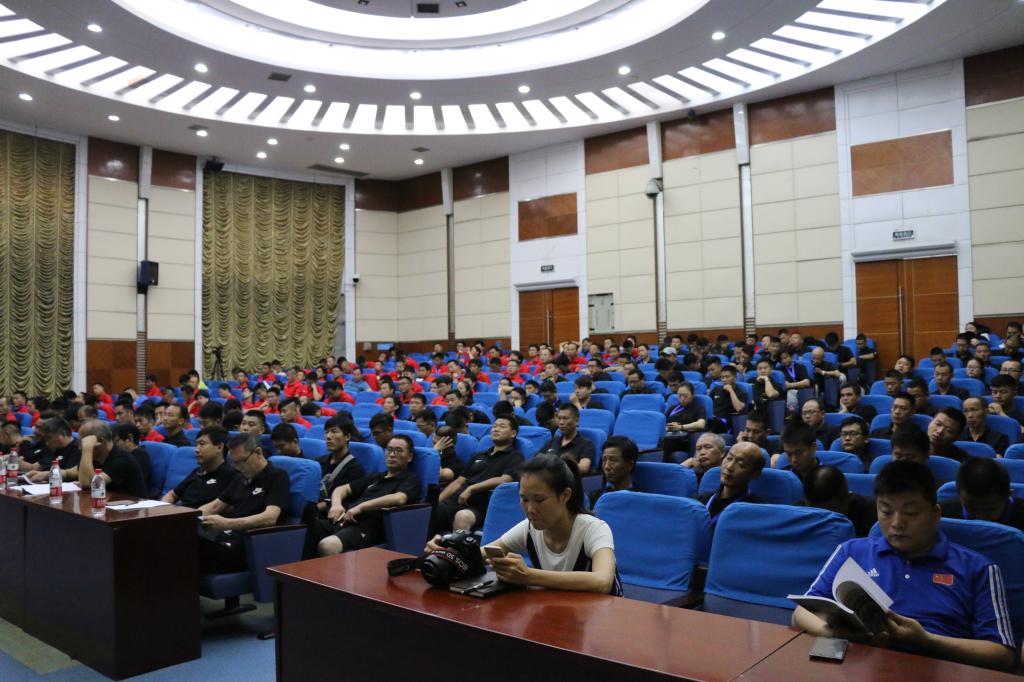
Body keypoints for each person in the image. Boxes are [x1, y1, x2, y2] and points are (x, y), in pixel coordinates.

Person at [793, 460, 1015, 671]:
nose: (897, 523)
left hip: (935, 668)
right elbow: (801, 612)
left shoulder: (978, 568)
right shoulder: (851, 551)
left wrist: (927, 641)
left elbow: (1003, 656)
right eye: (886, 511)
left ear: (935, 514)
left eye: (910, 513)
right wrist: (832, 634)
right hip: (856, 663)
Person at [451, 454, 620, 595]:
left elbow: (602, 581)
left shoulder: (594, 529)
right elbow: (482, 554)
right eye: (524, 499)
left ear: (565, 496)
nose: (530, 509)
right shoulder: (529, 528)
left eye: (539, 500)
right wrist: (447, 553)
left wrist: (529, 576)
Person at [197, 433, 291, 573]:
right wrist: (189, 517)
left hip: (252, 543)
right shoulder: (240, 477)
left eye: (241, 462)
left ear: (258, 452)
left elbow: (270, 518)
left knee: (193, 553)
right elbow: (215, 506)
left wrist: (227, 523)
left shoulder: (277, 476)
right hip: (227, 537)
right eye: (234, 463)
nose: (238, 467)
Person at [317, 434, 423, 555]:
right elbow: (342, 489)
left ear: (410, 457)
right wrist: (336, 505)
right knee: (306, 531)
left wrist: (360, 507)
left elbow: (399, 498)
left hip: (366, 529)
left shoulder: (410, 479)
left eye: (398, 450)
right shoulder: (375, 477)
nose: (392, 454)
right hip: (343, 521)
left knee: (327, 546)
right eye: (389, 450)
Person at [430, 415, 524, 535]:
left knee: (462, 516)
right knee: (429, 511)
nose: (496, 429)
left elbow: (504, 480)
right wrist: (438, 500)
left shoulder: (515, 457)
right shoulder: (479, 455)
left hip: (479, 506)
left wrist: (471, 488)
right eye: (494, 426)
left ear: (513, 433)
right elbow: (458, 482)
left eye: (502, 426)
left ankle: (456, 547)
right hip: (455, 501)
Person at [162, 426, 241, 507]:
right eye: (196, 445)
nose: (196, 449)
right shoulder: (197, 471)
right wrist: (163, 507)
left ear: (219, 447)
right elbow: (172, 494)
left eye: (202, 444)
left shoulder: (232, 476)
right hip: (180, 512)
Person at [940, 457, 1024, 532]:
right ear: (959, 495)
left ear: (1008, 495)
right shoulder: (942, 516)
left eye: (989, 510)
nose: (980, 518)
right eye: (971, 508)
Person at [696, 442, 764, 527]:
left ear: (755, 474)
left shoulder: (757, 511)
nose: (729, 467)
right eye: (729, 458)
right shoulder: (700, 501)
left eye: (740, 464)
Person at [77, 420, 148, 498]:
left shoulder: (122, 460)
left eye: (84, 443)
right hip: (110, 502)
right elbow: (79, 476)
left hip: (132, 504)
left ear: (100, 441)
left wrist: (87, 448)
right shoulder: (97, 458)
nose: (80, 448)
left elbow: (88, 484)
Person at [799, 465, 877, 537]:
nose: (822, 520)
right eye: (815, 511)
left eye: (829, 514)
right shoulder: (800, 512)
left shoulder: (873, 518)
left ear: (848, 499)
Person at [539, 404, 596, 474]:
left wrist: (567, 464)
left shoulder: (586, 444)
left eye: (565, 418)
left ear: (576, 421)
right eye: (559, 418)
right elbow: (536, 460)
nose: (561, 422)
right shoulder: (553, 441)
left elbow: (584, 468)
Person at [22, 417, 82, 482]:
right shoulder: (52, 448)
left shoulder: (78, 448)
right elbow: (37, 467)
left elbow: (71, 476)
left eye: (49, 438)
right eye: (45, 439)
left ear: (63, 434)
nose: (47, 443)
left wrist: (46, 475)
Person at [588, 436, 638, 507]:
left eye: (613, 460)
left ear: (630, 465)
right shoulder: (595, 496)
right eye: (604, 460)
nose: (607, 467)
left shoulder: (640, 499)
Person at [663, 381, 706, 461]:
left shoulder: (698, 408)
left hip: (686, 439)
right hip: (671, 436)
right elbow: (662, 424)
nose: (682, 399)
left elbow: (701, 424)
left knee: (666, 442)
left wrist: (680, 427)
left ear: (693, 395)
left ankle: (663, 465)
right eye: (679, 396)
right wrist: (669, 427)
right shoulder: (673, 408)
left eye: (685, 396)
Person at [111, 422, 154, 495]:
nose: (114, 446)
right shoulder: (122, 455)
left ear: (129, 438)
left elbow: (136, 484)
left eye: (117, 441)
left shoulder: (141, 455)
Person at [709, 365, 747, 432]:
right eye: (722, 377)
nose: (724, 380)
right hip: (713, 419)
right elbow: (708, 404)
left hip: (727, 423)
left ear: (735, 377)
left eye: (727, 377)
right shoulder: (716, 389)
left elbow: (738, 408)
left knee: (713, 422)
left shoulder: (741, 393)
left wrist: (731, 391)